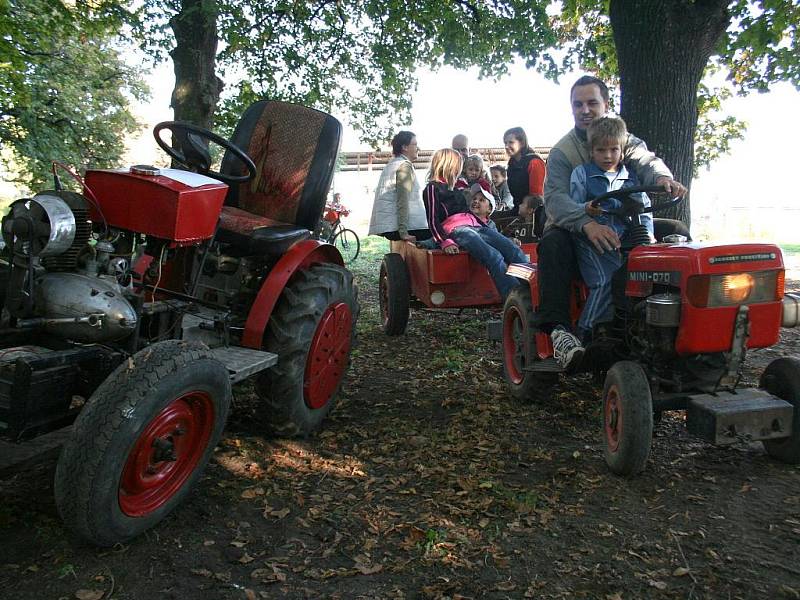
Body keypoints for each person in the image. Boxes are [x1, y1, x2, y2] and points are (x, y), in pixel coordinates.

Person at [539, 75, 688, 370]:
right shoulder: (563, 152)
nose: (585, 110)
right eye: (577, 104)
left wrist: (662, 178)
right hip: (574, 225)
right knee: (553, 244)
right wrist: (587, 222)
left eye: (592, 102)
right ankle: (560, 333)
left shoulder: (623, 139)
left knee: (677, 234)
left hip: (621, 223)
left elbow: (646, 161)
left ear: (606, 104)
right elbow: (555, 199)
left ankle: (670, 322)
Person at [570, 116, 653, 341]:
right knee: (608, 280)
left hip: (626, 238)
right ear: (591, 151)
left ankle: (636, 332)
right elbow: (572, 207)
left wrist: (648, 237)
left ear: (622, 150)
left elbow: (644, 210)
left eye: (613, 149)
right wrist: (585, 209)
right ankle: (585, 334)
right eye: (601, 150)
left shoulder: (631, 177)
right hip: (591, 240)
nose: (608, 156)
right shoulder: (582, 174)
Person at [423, 148, 528, 299]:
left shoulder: (455, 188)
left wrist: (493, 233)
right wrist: (444, 241)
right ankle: (515, 298)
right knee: (494, 257)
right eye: (458, 165)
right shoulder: (432, 188)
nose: (460, 169)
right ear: (449, 165)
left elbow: (469, 213)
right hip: (458, 230)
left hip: (476, 225)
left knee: (513, 250)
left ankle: (533, 289)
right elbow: (432, 220)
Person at [368, 130, 430, 242]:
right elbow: (403, 199)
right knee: (442, 233)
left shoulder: (392, 164)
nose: (418, 148)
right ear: (405, 147)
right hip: (402, 227)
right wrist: (403, 232)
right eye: (415, 144)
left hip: (389, 225)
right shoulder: (404, 166)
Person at [503, 127, 546, 234]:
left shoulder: (534, 162)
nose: (506, 146)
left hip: (535, 215)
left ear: (522, 143)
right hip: (518, 208)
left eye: (511, 142)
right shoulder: (512, 164)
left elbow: (537, 197)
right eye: (505, 143)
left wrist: (526, 210)